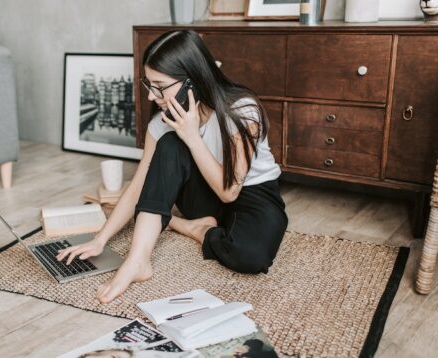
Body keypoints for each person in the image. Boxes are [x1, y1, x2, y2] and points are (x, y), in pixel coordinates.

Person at [57, 30, 288, 304]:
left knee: (250, 257)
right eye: (149, 85)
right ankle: (138, 261)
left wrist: (191, 135)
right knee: (169, 143)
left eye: (160, 85)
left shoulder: (241, 111)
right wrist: (100, 239)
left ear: (192, 80)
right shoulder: (160, 123)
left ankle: (191, 228)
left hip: (252, 193)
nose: (153, 96)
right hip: (202, 197)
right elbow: (140, 183)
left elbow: (230, 193)